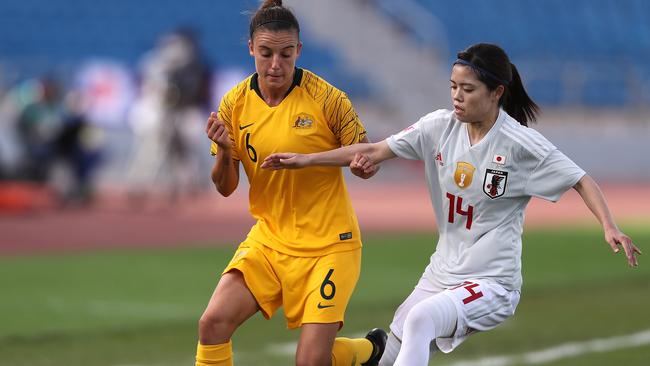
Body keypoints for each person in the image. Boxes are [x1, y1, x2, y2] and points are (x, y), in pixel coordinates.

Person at [261, 43, 642, 366]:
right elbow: (374, 149)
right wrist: (306, 159)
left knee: (422, 320)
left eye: (468, 89)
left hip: (493, 281)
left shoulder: (520, 145)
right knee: (394, 349)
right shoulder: (437, 127)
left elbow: (580, 178)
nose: (457, 96)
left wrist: (609, 225)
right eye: (453, 86)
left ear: (496, 93)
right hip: (442, 271)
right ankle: (371, 350)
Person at [197, 1, 386, 366]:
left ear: (298, 50)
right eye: (266, 53)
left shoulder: (328, 99)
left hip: (330, 245)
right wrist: (223, 150)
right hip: (270, 240)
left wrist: (364, 166)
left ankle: (371, 351)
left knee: (311, 361)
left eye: (285, 54)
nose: (275, 65)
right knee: (212, 324)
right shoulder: (234, 104)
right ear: (251, 48)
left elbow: (364, 155)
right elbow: (224, 187)